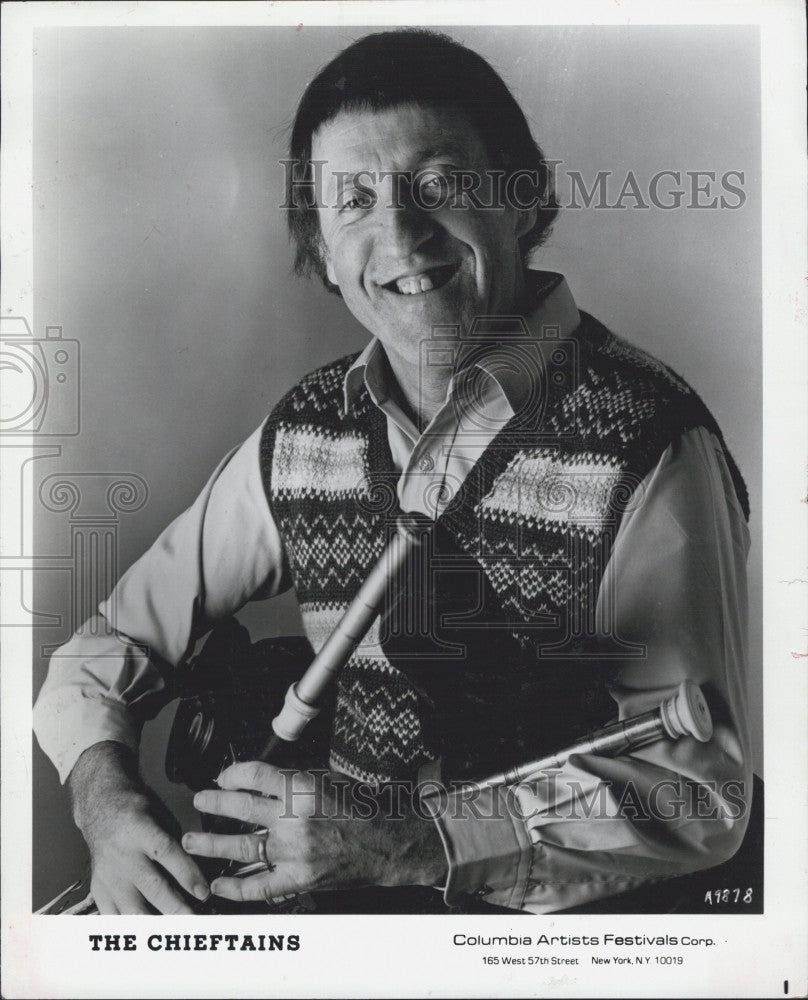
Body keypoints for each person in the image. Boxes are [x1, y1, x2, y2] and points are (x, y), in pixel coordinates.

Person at [33, 28, 753, 915]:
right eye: (355, 203)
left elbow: (700, 795)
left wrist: (417, 846)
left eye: (440, 185)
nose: (402, 236)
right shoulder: (304, 431)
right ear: (324, 254)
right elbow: (100, 656)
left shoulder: (655, 444)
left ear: (524, 198)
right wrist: (106, 804)